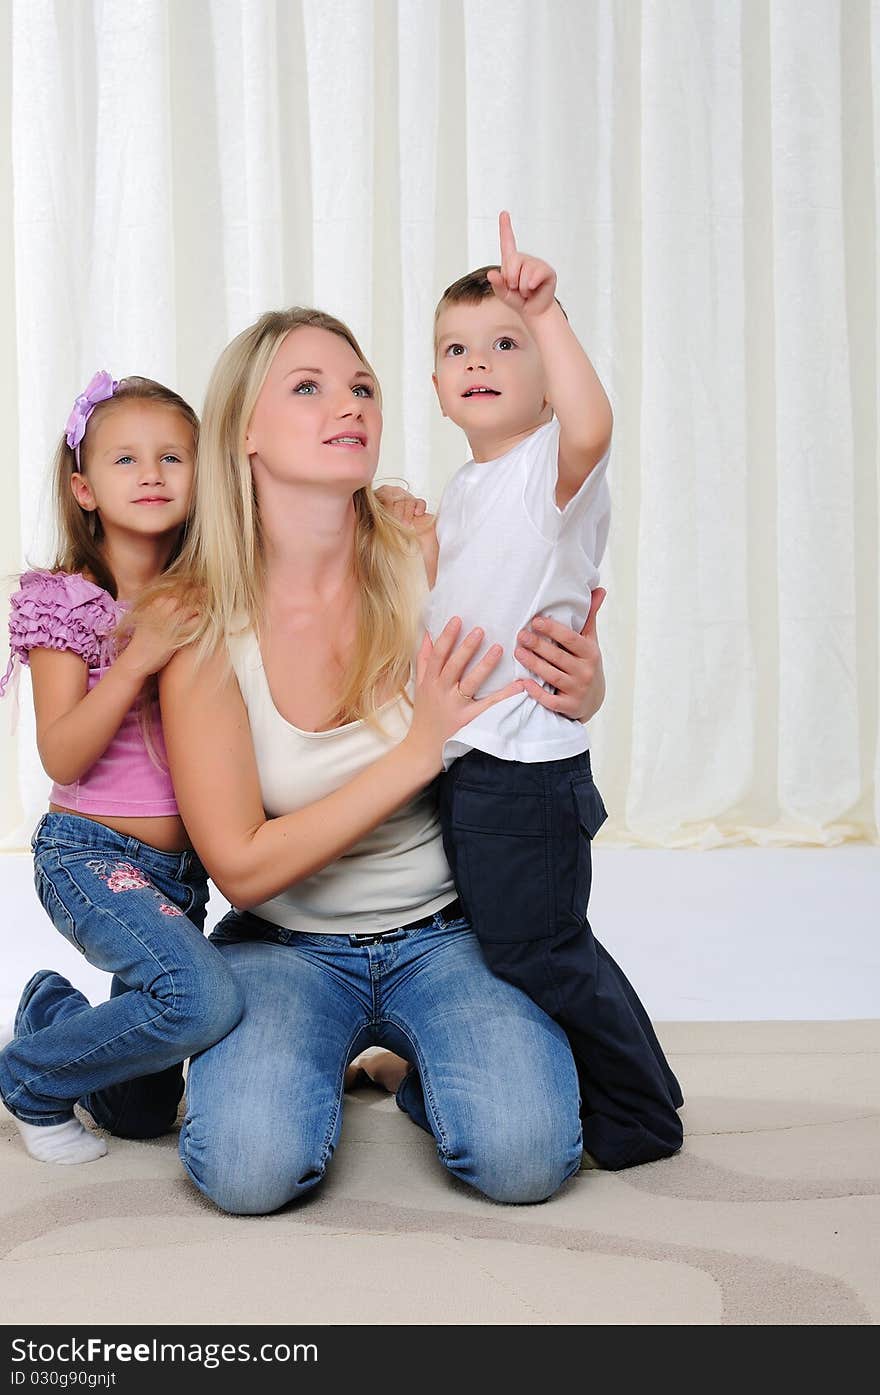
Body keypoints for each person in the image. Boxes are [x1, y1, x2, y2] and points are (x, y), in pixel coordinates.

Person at [143, 306, 605, 1215]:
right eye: (308, 388)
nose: (348, 404)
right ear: (244, 432)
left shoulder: (423, 551)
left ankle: (409, 1063)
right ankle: (327, 1051)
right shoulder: (198, 626)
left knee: (526, 1160)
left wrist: (582, 686)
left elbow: (536, 653)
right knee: (247, 1170)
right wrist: (417, 751)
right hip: (283, 946)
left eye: (362, 386)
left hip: (447, 930)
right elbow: (239, 862)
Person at [417, 213, 684, 1169]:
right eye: (455, 350)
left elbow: (594, 421)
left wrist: (549, 311)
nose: (477, 361)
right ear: (439, 386)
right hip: (480, 761)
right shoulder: (465, 486)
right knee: (507, 943)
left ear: (543, 377)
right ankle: (491, 1073)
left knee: (541, 948)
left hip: (526, 766)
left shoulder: (549, 470)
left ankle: (643, 1111)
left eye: (505, 344)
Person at [0, 374, 243, 1164]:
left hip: (178, 872)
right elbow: (61, 752)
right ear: (85, 488)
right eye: (126, 459)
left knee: (140, 1112)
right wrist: (137, 658)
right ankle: (29, 1076)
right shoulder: (67, 601)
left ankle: (48, 1009)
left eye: (173, 456)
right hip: (89, 852)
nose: (151, 473)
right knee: (202, 998)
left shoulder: (209, 593)